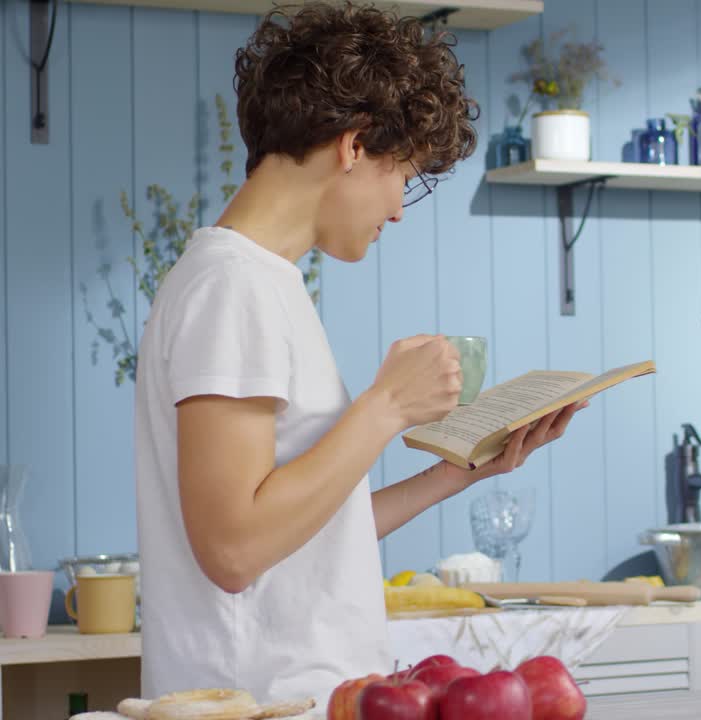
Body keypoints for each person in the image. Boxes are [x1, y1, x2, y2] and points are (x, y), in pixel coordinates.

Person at [132, 1, 584, 704]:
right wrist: (385, 408)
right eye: (403, 175)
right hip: (264, 704)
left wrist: (455, 473)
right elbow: (232, 550)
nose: (400, 209)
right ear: (354, 144)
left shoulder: (261, 283)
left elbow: (309, 538)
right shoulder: (232, 286)